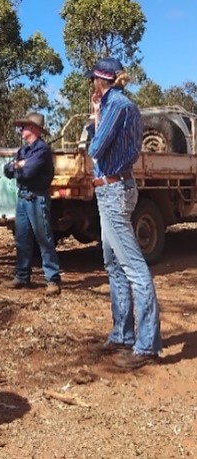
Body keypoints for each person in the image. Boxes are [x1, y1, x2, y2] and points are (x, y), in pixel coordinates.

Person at [86, 57, 162, 369]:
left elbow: (95, 148)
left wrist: (95, 120)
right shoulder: (123, 105)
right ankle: (122, 333)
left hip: (113, 190)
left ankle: (146, 345)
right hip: (116, 189)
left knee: (132, 268)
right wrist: (96, 115)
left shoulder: (115, 105)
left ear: (98, 81)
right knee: (114, 263)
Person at [3, 112, 62, 296]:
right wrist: (17, 165)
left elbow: (28, 172)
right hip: (22, 199)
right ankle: (22, 276)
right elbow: (7, 170)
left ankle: (52, 280)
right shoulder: (24, 150)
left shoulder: (42, 150)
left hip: (37, 198)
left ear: (35, 129)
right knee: (22, 238)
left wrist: (19, 166)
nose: (21, 129)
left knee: (43, 239)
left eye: (25, 126)